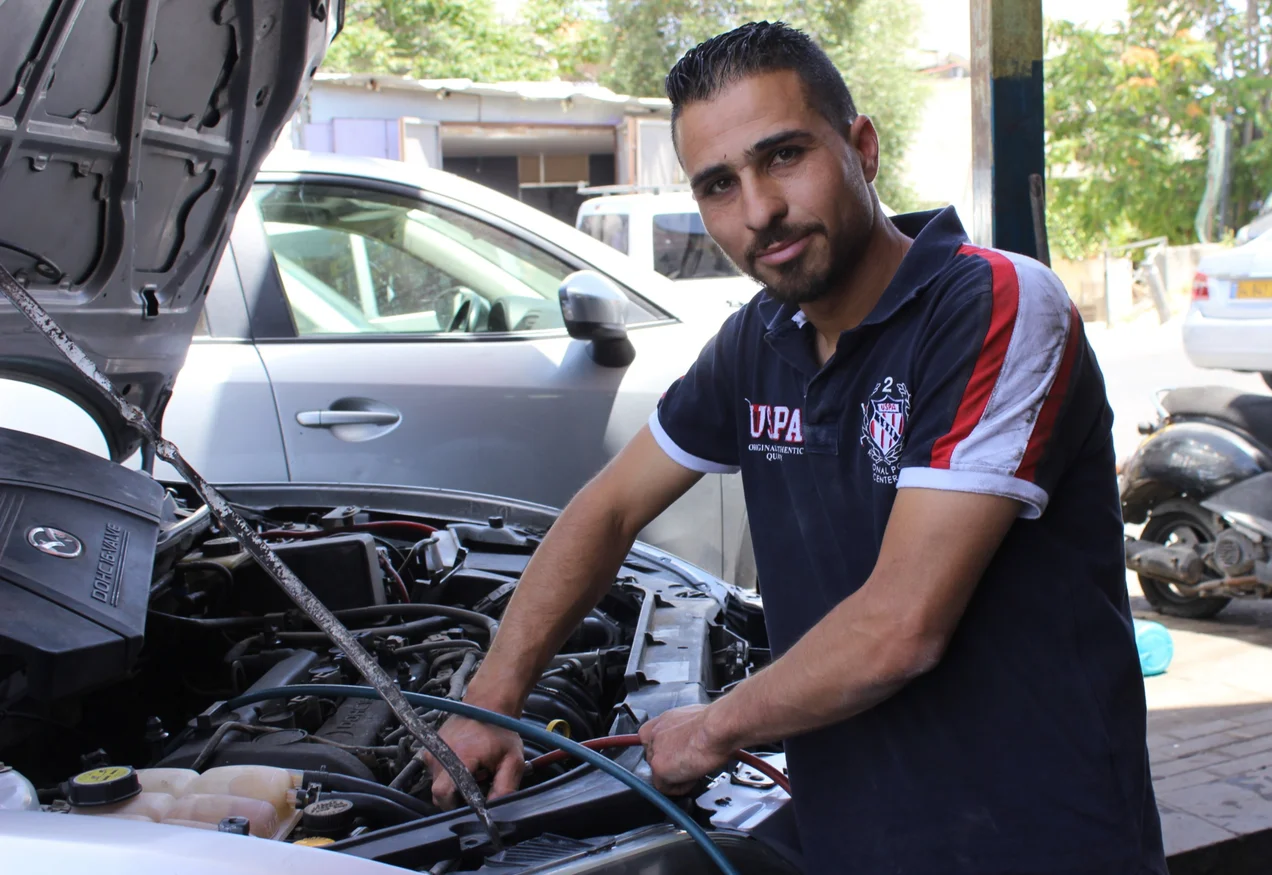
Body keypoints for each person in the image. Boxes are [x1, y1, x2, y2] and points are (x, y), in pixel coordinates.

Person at [430, 20, 1167, 875]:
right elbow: (609, 507)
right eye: (718, 184)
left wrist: (713, 725)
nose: (759, 210)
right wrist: (493, 699)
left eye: (783, 156)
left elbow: (899, 627)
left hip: (1030, 839)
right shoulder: (759, 340)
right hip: (852, 827)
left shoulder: (997, 305)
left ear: (862, 146)